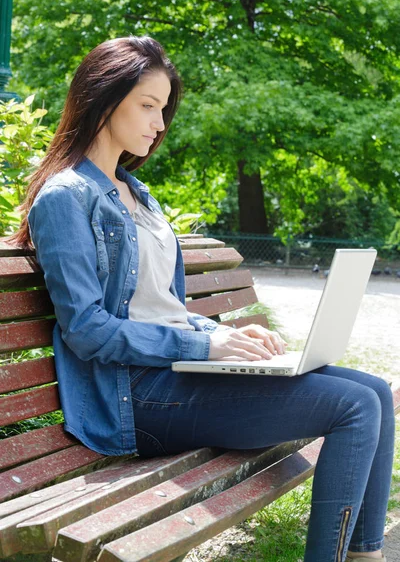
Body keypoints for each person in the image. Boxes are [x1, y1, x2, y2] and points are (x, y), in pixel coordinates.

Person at [5, 36, 394, 562]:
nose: (159, 123)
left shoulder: (136, 193)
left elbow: (159, 307)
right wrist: (203, 350)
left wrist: (222, 334)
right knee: (351, 406)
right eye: (147, 105)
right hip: (134, 395)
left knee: (375, 393)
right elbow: (88, 330)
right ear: (103, 97)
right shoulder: (65, 198)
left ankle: (364, 554)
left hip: (176, 375)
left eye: (163, 109)